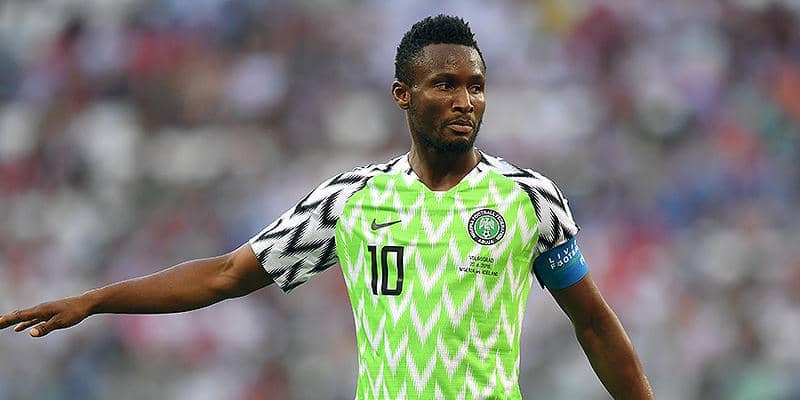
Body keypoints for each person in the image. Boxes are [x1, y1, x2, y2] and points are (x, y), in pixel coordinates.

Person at [0, 15, 654, 399]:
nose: (465, 101)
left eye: (476, 86)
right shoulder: (352, 200)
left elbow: (594, 325)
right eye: (445, 84)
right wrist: (97, 300)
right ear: (403, 94)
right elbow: (226, 275)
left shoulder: (529, 198)